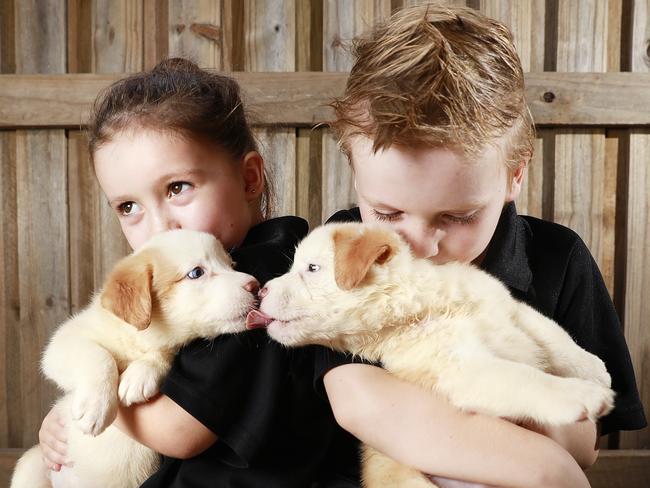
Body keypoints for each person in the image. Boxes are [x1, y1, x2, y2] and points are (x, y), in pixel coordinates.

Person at [316, 4, 647, 488]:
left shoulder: (557, 259)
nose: (419, 247)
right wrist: (544, 465)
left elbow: (584, 442)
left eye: (457, 217)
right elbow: (361, 402)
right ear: (355, 173)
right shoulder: (342, 250)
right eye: (387, 213)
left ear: (514, 174)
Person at [37, 57, 356, 487]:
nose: (159, 225)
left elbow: (178, 430)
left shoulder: (262, 282)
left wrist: (90, 404)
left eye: (177, 188)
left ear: (248, 179)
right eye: (128, 207)